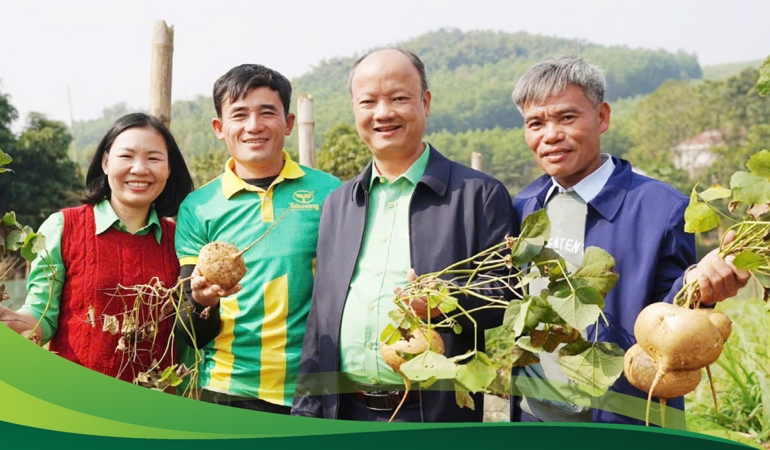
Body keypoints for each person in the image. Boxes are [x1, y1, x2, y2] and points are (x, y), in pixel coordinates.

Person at [508, 55, 751, 425]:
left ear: (602, 117)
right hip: (534, 419)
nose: (550, 135)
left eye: (567, 118)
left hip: (628, 419)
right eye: (535, 123)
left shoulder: (663, 208)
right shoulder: (525, 206)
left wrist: (701, 287)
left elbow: (675, 316)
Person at [291, 48, 518, 422]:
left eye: (399, 98)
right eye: (369, 102)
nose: (383, 113)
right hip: (344, 411)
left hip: (431, 415)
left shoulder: (479, 194)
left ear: (425, 103)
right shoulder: (338, 204)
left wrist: (447, 301)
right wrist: (306, 410)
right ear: (354, 108)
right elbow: (321, 320)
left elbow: (506, 291)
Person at [174, 64, 342, 414]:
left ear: (289, 122)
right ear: (220, 128)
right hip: (230, 387)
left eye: (267, 112)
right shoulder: (199, 207)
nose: (254, 126)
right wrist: (202, 301)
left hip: (314, 386)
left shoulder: (331, 193)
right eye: (239, 114)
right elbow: (189, 322)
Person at [0, 113, 195, 384]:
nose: (140, 168)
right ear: (105, 162)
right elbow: (42, 317)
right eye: (126, 156)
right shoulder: (64, 227)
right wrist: (10, 322)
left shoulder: (183, 241)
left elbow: (187, 335)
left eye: (154, 158)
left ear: (169, 169)